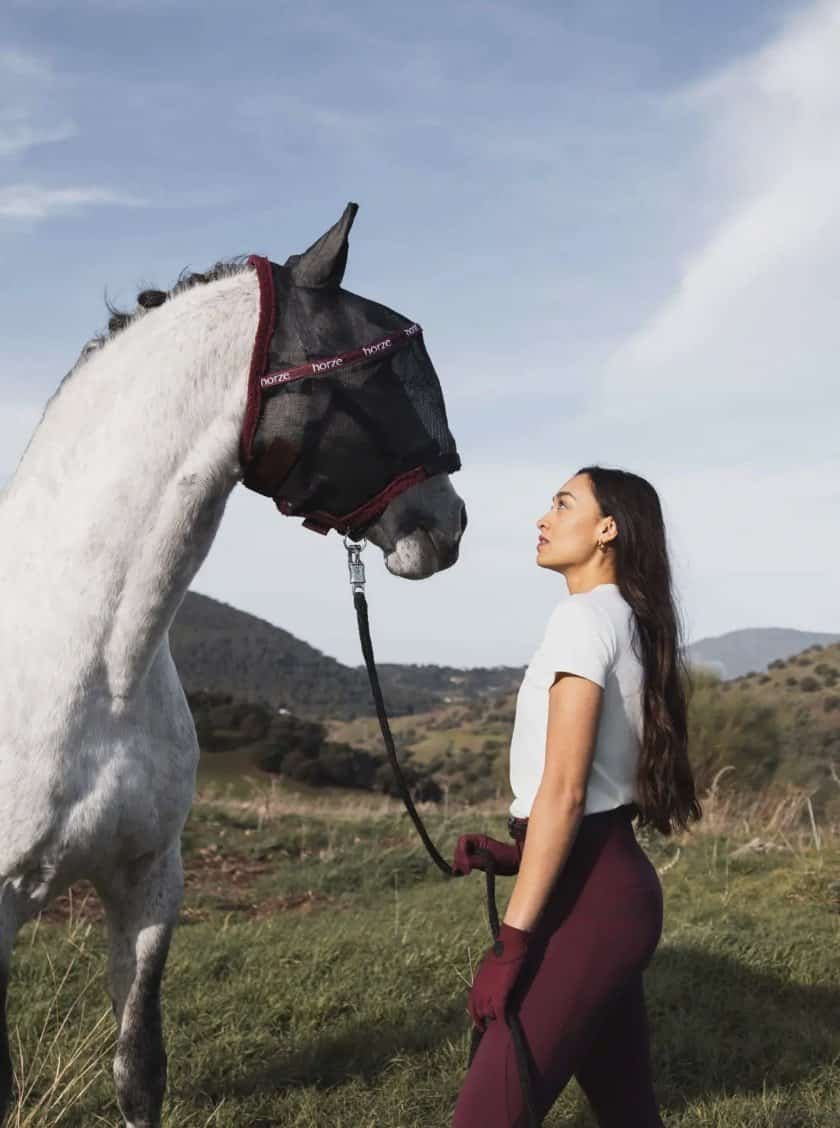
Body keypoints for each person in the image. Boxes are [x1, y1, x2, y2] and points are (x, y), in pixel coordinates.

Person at [450, 465, 702, 1128]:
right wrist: (516, 851)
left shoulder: (583, 618)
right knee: (627, 1111)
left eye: (563, 504)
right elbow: (588, 794)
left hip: (591, 900)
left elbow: (564, 793)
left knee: (485, 1118)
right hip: (607, 885)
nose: (542, 518)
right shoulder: (625, 618)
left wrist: (510, 948)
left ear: (607, 530)